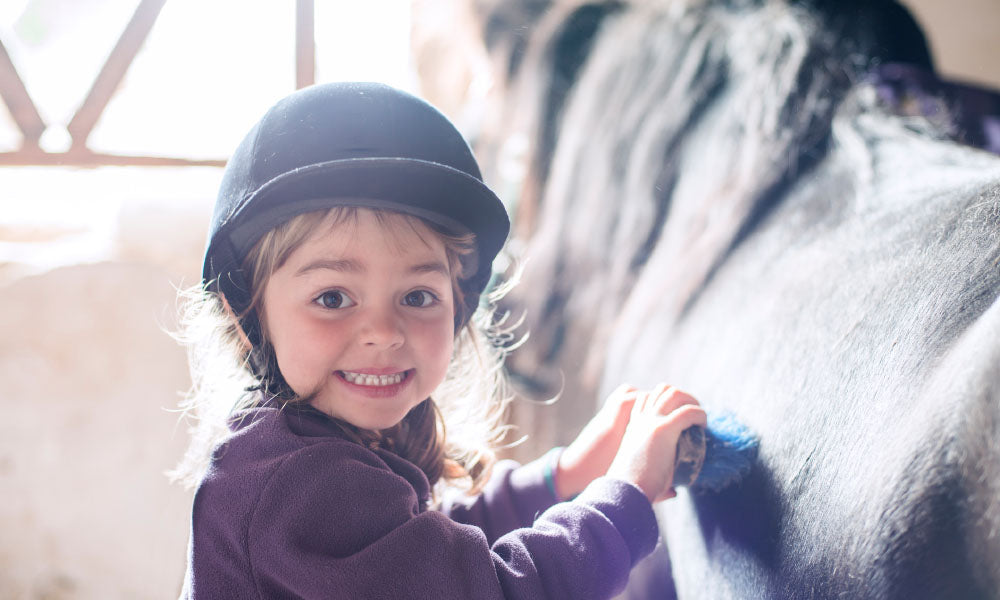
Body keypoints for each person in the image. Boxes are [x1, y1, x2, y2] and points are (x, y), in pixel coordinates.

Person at [174, 81, 706, 599]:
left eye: (417, 296)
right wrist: (627, 493)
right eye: (333, 298)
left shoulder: (312, 452)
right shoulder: (298, 485)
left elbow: (428, 554)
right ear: (247, 317)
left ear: (458, 306)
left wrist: (561, 475)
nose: (383, 333)